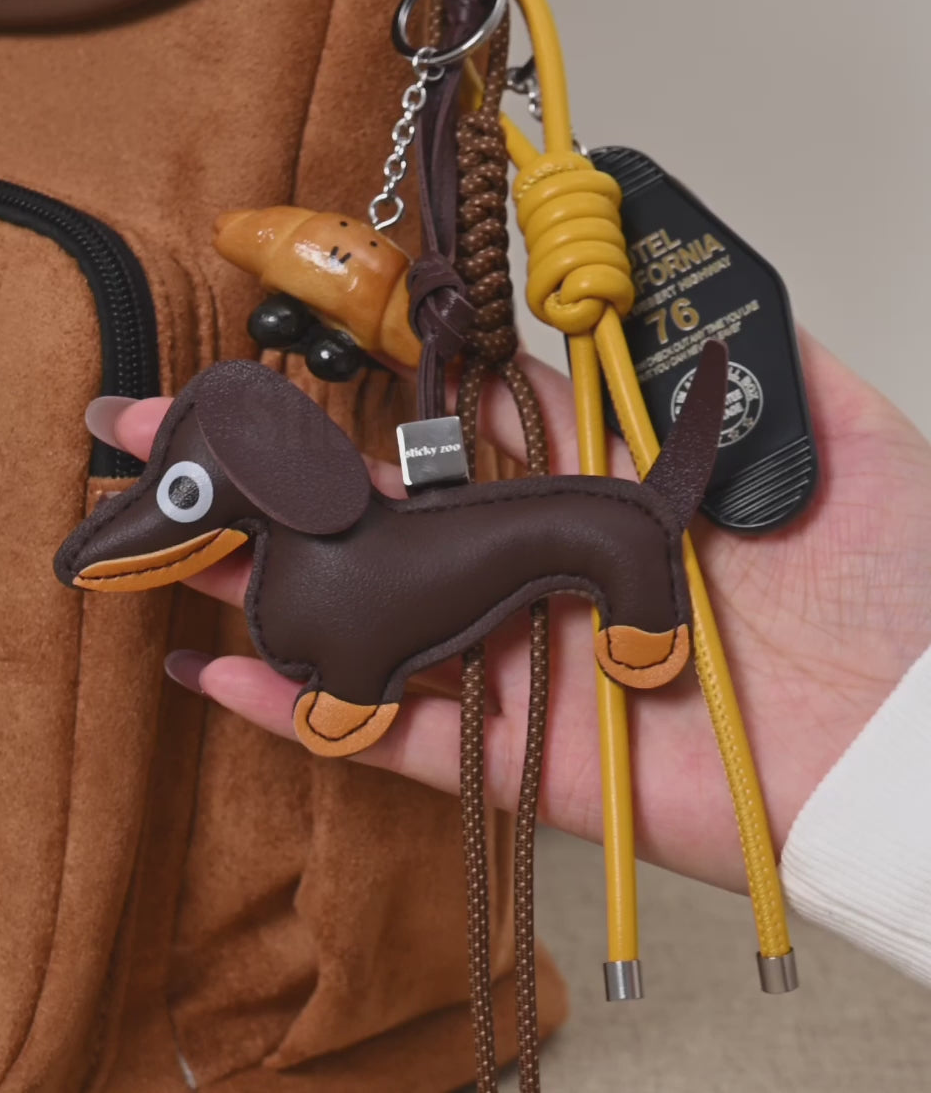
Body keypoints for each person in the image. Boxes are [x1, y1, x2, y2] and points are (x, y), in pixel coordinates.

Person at [87, 327, 931, 987]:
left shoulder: (330, 585)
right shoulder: (309, 583)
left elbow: (365, 637)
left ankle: (641, 622)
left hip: (621, 544)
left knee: (625, 535)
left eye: (183, 492)